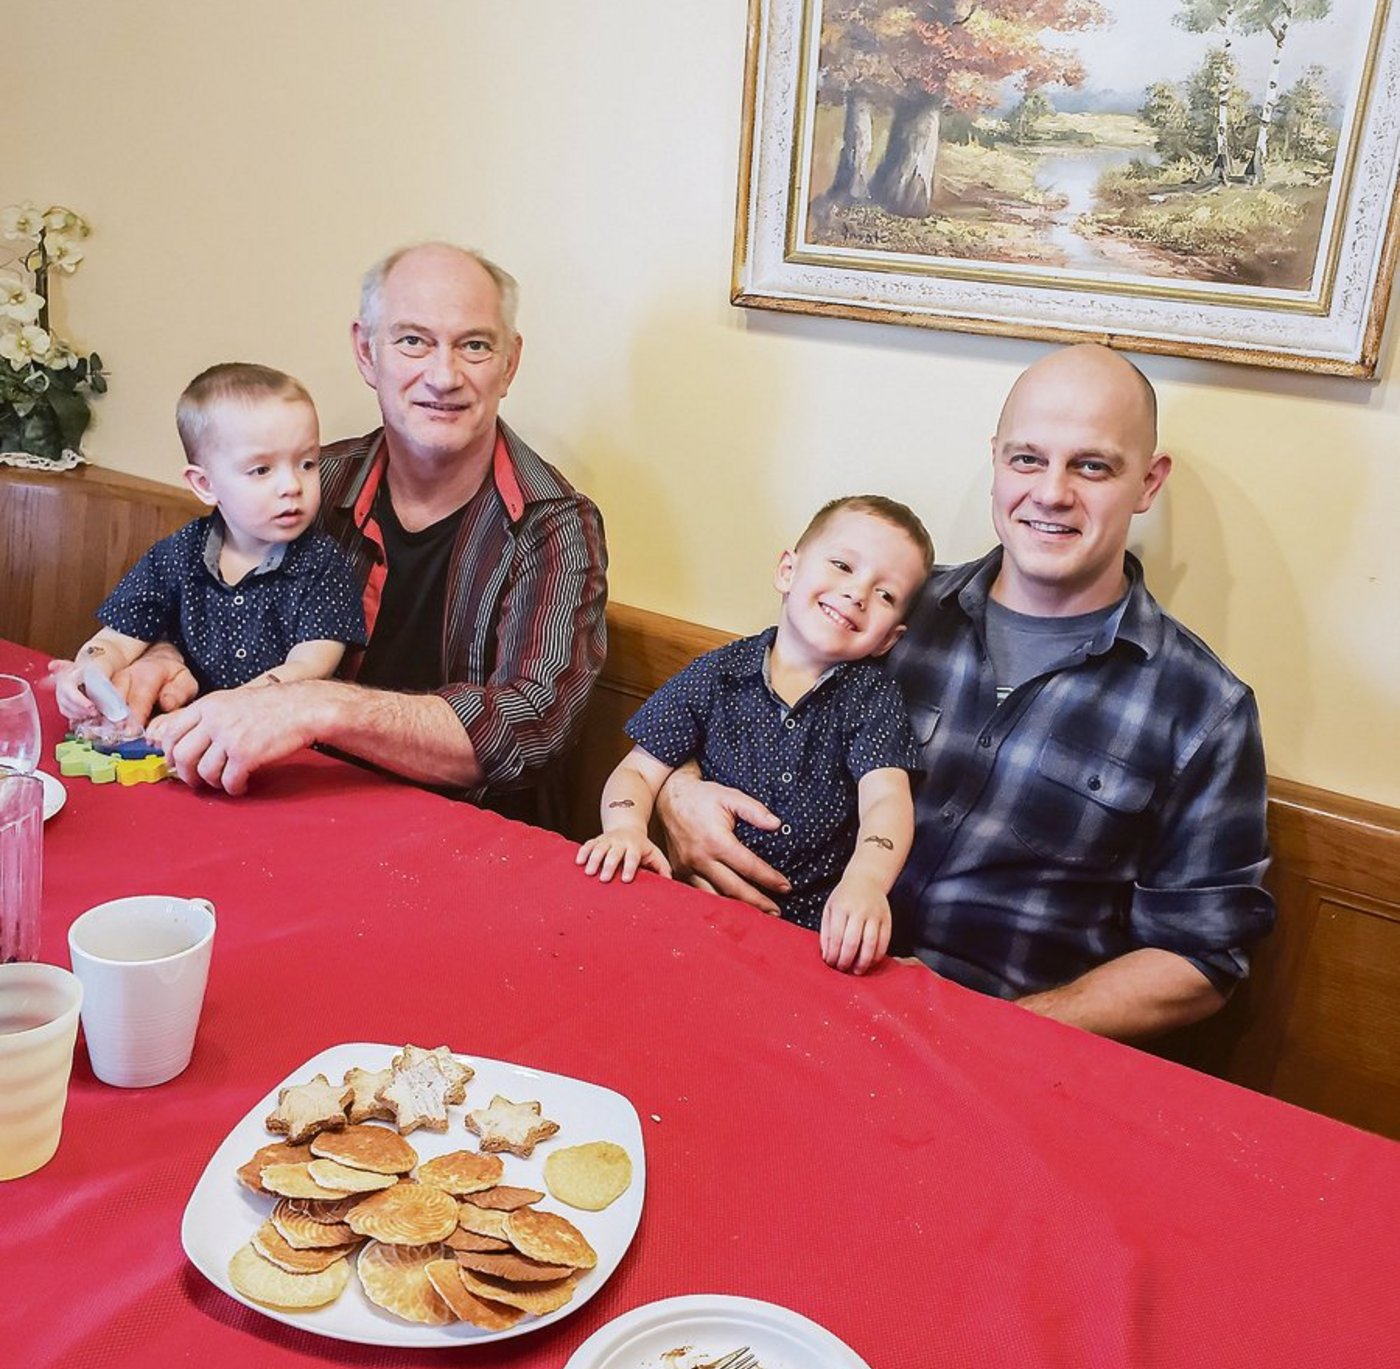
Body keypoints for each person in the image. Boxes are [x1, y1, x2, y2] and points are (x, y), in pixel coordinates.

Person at [657, 344, 1275, 1041]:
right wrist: (678, 794)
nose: (1050, 492)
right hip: (782, 979)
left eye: (1092, 465)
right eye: (1027, 458)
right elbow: (722, 704)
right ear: (995, 459)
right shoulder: (887, 611)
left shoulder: (1203, 707)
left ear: (1148, 483)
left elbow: (1199, 955)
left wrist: (1005, 1032)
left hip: (994, 1051)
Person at [121, 244, 608, 811]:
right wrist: (164, 654)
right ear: (365, 352)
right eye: (412, 341)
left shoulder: (553, 524)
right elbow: (203, 591)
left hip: (461, 841)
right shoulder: (310, 483)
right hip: (285, 802)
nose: (443, 375)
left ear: (510, 364)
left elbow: (530, 727)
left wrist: (318, 704)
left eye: (474, 345)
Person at [577, 495, 935, 973]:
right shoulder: (716, 674)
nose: (857, 593)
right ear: (788, 571)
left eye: (885, 594)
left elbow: (887, 801)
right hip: (692, 912)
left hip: (811, 941)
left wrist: (866, 882)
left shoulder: (872, 699)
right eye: (842, 565)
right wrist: (625, 830)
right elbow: (639, 773)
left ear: (890, 637)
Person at [52, 364, 365, 727]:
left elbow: (309, 667)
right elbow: (118, 639)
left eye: (307, 463)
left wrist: (221, 710)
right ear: (205, 484)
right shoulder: (176, 555)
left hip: (284, 746)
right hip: (180, 736)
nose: (292, 485)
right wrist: (91, 667)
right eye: (261, 470)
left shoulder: (324, 564)